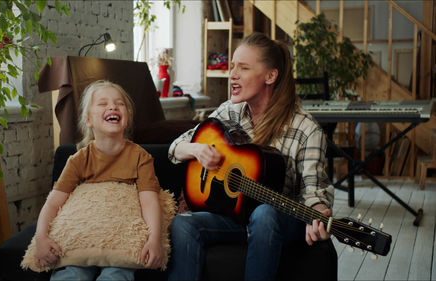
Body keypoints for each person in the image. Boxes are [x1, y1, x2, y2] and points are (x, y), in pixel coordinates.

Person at [167, 32, 334, 281]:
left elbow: (314, 193)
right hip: (235, 216)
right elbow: (175, 148)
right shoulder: (229, 111)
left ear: (270, 76)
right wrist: (197, 150)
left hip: (279, 220)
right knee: (183, 224)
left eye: (243, 68)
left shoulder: (306, 128)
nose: (232, 74)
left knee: (264, 214)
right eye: (232, 66)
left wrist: (320, 214)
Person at [34, 80, 165, 281]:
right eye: (103, 103)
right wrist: (41, 238)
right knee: (71, 275)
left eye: (119, 103)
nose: (112, 106)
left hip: (119, 244)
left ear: (127, 118)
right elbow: (53, 202)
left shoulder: (140, 157)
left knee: (116, 275)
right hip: (82, 243)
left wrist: (155, 239)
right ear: (88, 120)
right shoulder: (79, 159)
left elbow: (149, 200)